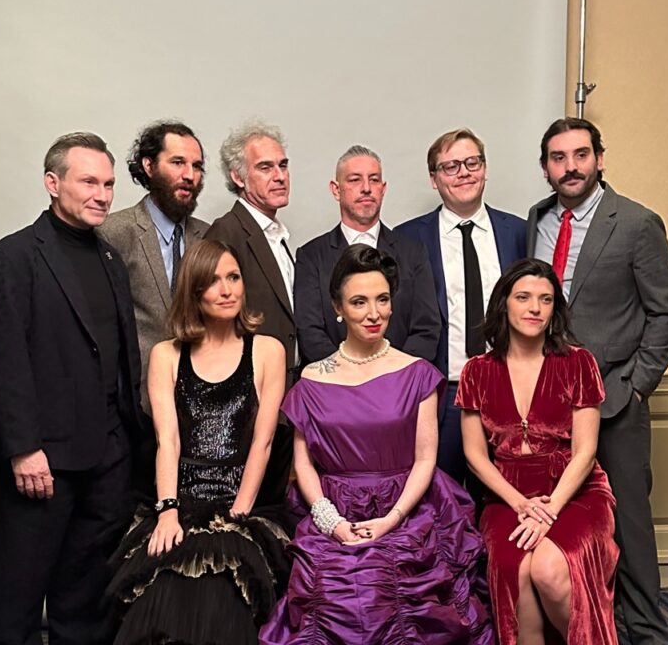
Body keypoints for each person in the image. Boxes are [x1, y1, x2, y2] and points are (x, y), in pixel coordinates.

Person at [254, 244, 531, 645]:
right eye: (360, 301)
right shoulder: (309, 377)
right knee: (328, 596)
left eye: (382, 298)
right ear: (337, 308)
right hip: (333, 507)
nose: (374, 311)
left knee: (389, 593)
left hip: (407, 505)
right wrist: (328, 519)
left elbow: (427, 459)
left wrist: (390, 518)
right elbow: (303, 463)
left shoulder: (416, 373)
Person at [70, 239, 290, 645]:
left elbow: (263, 441)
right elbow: (167, 440)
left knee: (216, 595)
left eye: (235, 278)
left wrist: (240, 510)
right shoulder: (166, 354)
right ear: (193, 289)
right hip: (179, 498)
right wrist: (168, 510)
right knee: (160, 594)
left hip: (244, 503)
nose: (227, 289)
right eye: (214, 280)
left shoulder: (266, 349)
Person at [0, 132, 144, 645]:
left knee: (83, 581)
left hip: (106, 451)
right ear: (53, 184)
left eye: (107, 184)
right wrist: (22, 449)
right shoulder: (13, 258)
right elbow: (4, 363)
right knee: (20, 584)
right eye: (88, 183)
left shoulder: (105, 259)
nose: (102, 194)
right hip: (40, 456)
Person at [527, 117, 668, 645]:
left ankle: (649, 640)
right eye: (557, 157)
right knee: (560, 514)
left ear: (599, 158)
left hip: (614, 397)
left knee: (631, 523)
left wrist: (634, 385)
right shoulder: (536, 220)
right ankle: (584, 629)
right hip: (546, 402)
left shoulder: (638, 223)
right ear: (545, 166)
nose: (570, 166)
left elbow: (665, 316)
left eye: (581, 154)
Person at [457, 259, 627, 645]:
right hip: (506, 496)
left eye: (546, 299)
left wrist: (549, 508)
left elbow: (585, 451)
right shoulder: (477, 370)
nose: (534, 308)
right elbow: (474, 455)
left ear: (555, 309)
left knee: (552, 568)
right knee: (515, 569)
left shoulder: (578, 363)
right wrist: (518, 503)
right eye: (524, 297)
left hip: (574, 492)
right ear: (503, 304)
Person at [395, 128, 526, 489]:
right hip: (443, 394)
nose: (464, 173)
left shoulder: (518, 232)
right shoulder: (407, 239)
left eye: (472, 162)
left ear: (485, 169)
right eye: (451, 166)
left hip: (506, 390)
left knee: (503, 503)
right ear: (433, 179)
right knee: (441, 504)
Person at [208, 121, 296, 506]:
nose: (279, 176)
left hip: (287, 399)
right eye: (265, 168)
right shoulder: (225, 233)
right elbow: (216, 325)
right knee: (248, 519)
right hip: (247, 408)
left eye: (283, 165)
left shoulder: (279, 236)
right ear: (237, 177)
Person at [294, 144, 440, 364]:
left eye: (374, 179)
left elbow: (426, 328)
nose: (366, 188)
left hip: (401, 387)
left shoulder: (413, 252)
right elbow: (310, 333)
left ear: (383, 188)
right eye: (354, 180)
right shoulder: (311, 256)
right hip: (336, 389)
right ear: (336, 189)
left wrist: (393, 377)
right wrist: (351, 378)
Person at [100, 120, 210, 391]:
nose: (189, 175)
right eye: (177, 162)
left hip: (201, 396)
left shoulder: (209, 236)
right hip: (138, 398)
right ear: (148, 166)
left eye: (197, 166)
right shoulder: (112, 233)